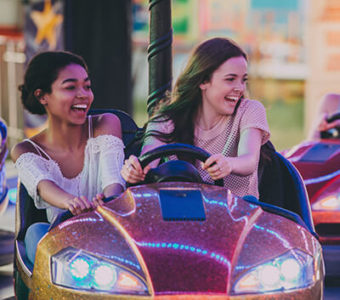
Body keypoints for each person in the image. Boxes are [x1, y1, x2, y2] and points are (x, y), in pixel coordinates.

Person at [11, 51, 125, 263]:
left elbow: (113, 180)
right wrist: (71, 203)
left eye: (87, 86)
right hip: (62, 239)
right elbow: (44, 187)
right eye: (71, 87)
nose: (83, 94)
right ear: (42, 96)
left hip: (109, 231)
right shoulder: (26, 150)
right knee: (36, 232)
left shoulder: (106, 124)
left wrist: (109, 201)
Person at [121, 37, 270, 198]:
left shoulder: (249, 110)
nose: (240, 88)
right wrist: (134, 170)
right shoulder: (166, 120)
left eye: (243, 80)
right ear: (203, 81)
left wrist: (229, 164)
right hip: (184, 216)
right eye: (230, 79)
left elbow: (249, 159)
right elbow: (147, 161)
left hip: (236, 215)